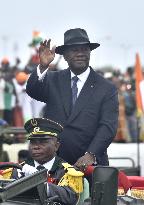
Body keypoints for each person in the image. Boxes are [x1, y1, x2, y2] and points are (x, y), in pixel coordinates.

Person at [26, 28, 119, 170]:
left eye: (84, 49)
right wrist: (43, 65)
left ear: (89, 52)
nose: (80, 53)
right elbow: (33, 90)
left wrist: (91, 154)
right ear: (64, 55)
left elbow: (107, 127)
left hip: (89, 166)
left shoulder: (106, 88)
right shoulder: (53, 79)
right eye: (75, 50)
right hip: (54, 164)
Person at [12, 118, 83, 205]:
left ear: (56, 146)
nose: (36, 147)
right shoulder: (19, 169)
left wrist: (40, 184)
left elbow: (71, 198)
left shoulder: (67, 172)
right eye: (33, 142)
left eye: (42, 142)